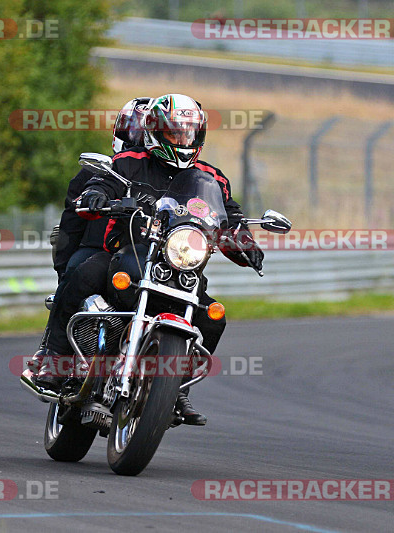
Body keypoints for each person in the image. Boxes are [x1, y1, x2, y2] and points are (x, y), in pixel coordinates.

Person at [37, 94, 264, 426]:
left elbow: (230, 216)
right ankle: (53, 358)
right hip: (128, 252)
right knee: (82, 275)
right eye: (174, 133)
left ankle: (176, 389)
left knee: (213, 318)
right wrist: (98, 195)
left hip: (178, 264)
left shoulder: (212, 178)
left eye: (187, 133)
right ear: (155, 131)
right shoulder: (130, 161)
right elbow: (105, 180)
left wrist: (244, 243)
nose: (181, 140)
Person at [30, 98, 151, 366]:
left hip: (148, 258)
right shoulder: (97, 173)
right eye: (132, 131)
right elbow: (70, 226)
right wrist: (63, 270)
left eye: (144, 133)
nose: (137, 138)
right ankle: (50, 353)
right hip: (98, 250)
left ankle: (174, 389)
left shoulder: (171, 177)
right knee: (76, 270)